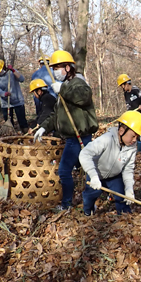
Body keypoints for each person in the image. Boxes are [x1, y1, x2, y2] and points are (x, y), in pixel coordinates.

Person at [34, 50, 98, 211]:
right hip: (71, 137)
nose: (55, 71)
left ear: (68, 68)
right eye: (54, 68)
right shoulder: (63, 87)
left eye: (58, 67)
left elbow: (83, 96)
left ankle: (76, 204)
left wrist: (63, 89)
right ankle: (79, 203)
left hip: (80, 136)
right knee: (81, 170)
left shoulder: (77, 82)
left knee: (70, 170)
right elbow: (57, 114)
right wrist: (44, 127)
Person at [79, 111, 141, 216]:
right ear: (121, 131)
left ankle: (125, 216)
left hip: (114, 176)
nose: (134, 140)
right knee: (90, 196)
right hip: (96, 175)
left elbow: (128, 169)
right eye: (132, 136)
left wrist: (129, 188)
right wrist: (93, 176)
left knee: (122, 196)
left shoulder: (132, 147)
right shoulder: (107, 139)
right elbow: (85, 154)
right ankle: (88, 210)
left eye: (137, 137)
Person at [0, 58, 29, 133]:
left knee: (22, 120)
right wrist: (4, 94)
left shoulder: (11, 73)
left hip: (18, 101)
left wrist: (13, 70)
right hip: (6, 104)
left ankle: (26, 134)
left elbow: (22, 79)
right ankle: (11, 136)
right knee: (9, 122)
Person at [117, 74, 141, 152]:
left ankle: (140, 149)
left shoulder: (136, 90)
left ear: (127, 84)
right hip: (132, 115)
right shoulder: (125, 93)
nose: (122, 88)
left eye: (122, 85)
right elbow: (128, 104)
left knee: (138, 131)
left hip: (139, 115)